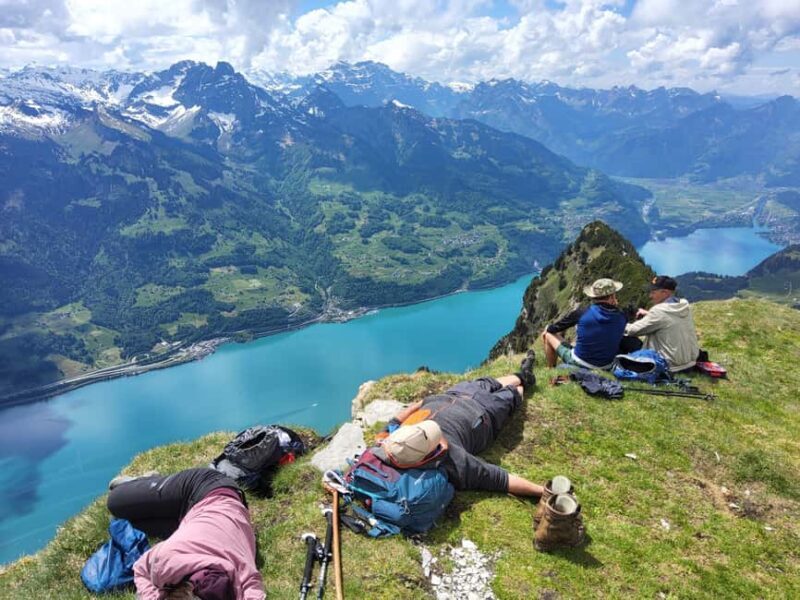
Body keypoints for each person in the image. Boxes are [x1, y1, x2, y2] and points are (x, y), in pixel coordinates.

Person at [379, 353, 542, 497]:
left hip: (453, 394)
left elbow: (404, 414)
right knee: (515, 392)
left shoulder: (391, 442)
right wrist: (542, 491)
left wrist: (429, 400)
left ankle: (523, 374)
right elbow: (498, 478)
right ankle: (525, 380)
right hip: (485, 412)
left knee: (487, 382)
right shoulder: (451, 459)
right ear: (426, 454)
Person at [107, 467, 265, 600]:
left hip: (210, 513)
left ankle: (151, 497)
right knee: (115, 503)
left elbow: (255, 593)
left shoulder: (240, 576)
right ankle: (147, 482)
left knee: (128, 523)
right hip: (205, 486)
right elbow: (141, 569)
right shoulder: (168, 561)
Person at [541, 278, 627, 370]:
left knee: (548, 333)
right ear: (611, 297)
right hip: (607, 366)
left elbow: (553, 328)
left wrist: (548, 328)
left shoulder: (582, 312)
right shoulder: (622, 317)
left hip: (581, 362)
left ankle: (551, 368)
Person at [624, 275, 700, 372]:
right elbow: (668, 319)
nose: (650, 296)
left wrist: (616, 323)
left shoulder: (659, 311)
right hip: (690, 363)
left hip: (670, 366)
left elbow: (632, 330)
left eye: (653, 292)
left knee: (627, 342)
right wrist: (648, 314)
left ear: (665, 293)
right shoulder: (683, 305)